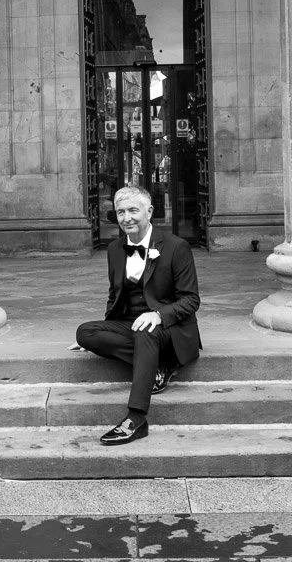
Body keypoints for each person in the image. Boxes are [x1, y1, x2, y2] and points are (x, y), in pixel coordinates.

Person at [74, 185, 201, 445]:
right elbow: (115, 296)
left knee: (145, 331)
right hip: (131, 323)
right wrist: (104, 333)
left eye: (133, 210)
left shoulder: (176, 247)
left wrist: (159, 315)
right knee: (85, 332)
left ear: (150, 211)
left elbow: (191, 300)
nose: (126, 218)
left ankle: (136, 418)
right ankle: (156, 365)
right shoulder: (114, 249)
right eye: (120, 212)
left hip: (171, 327)